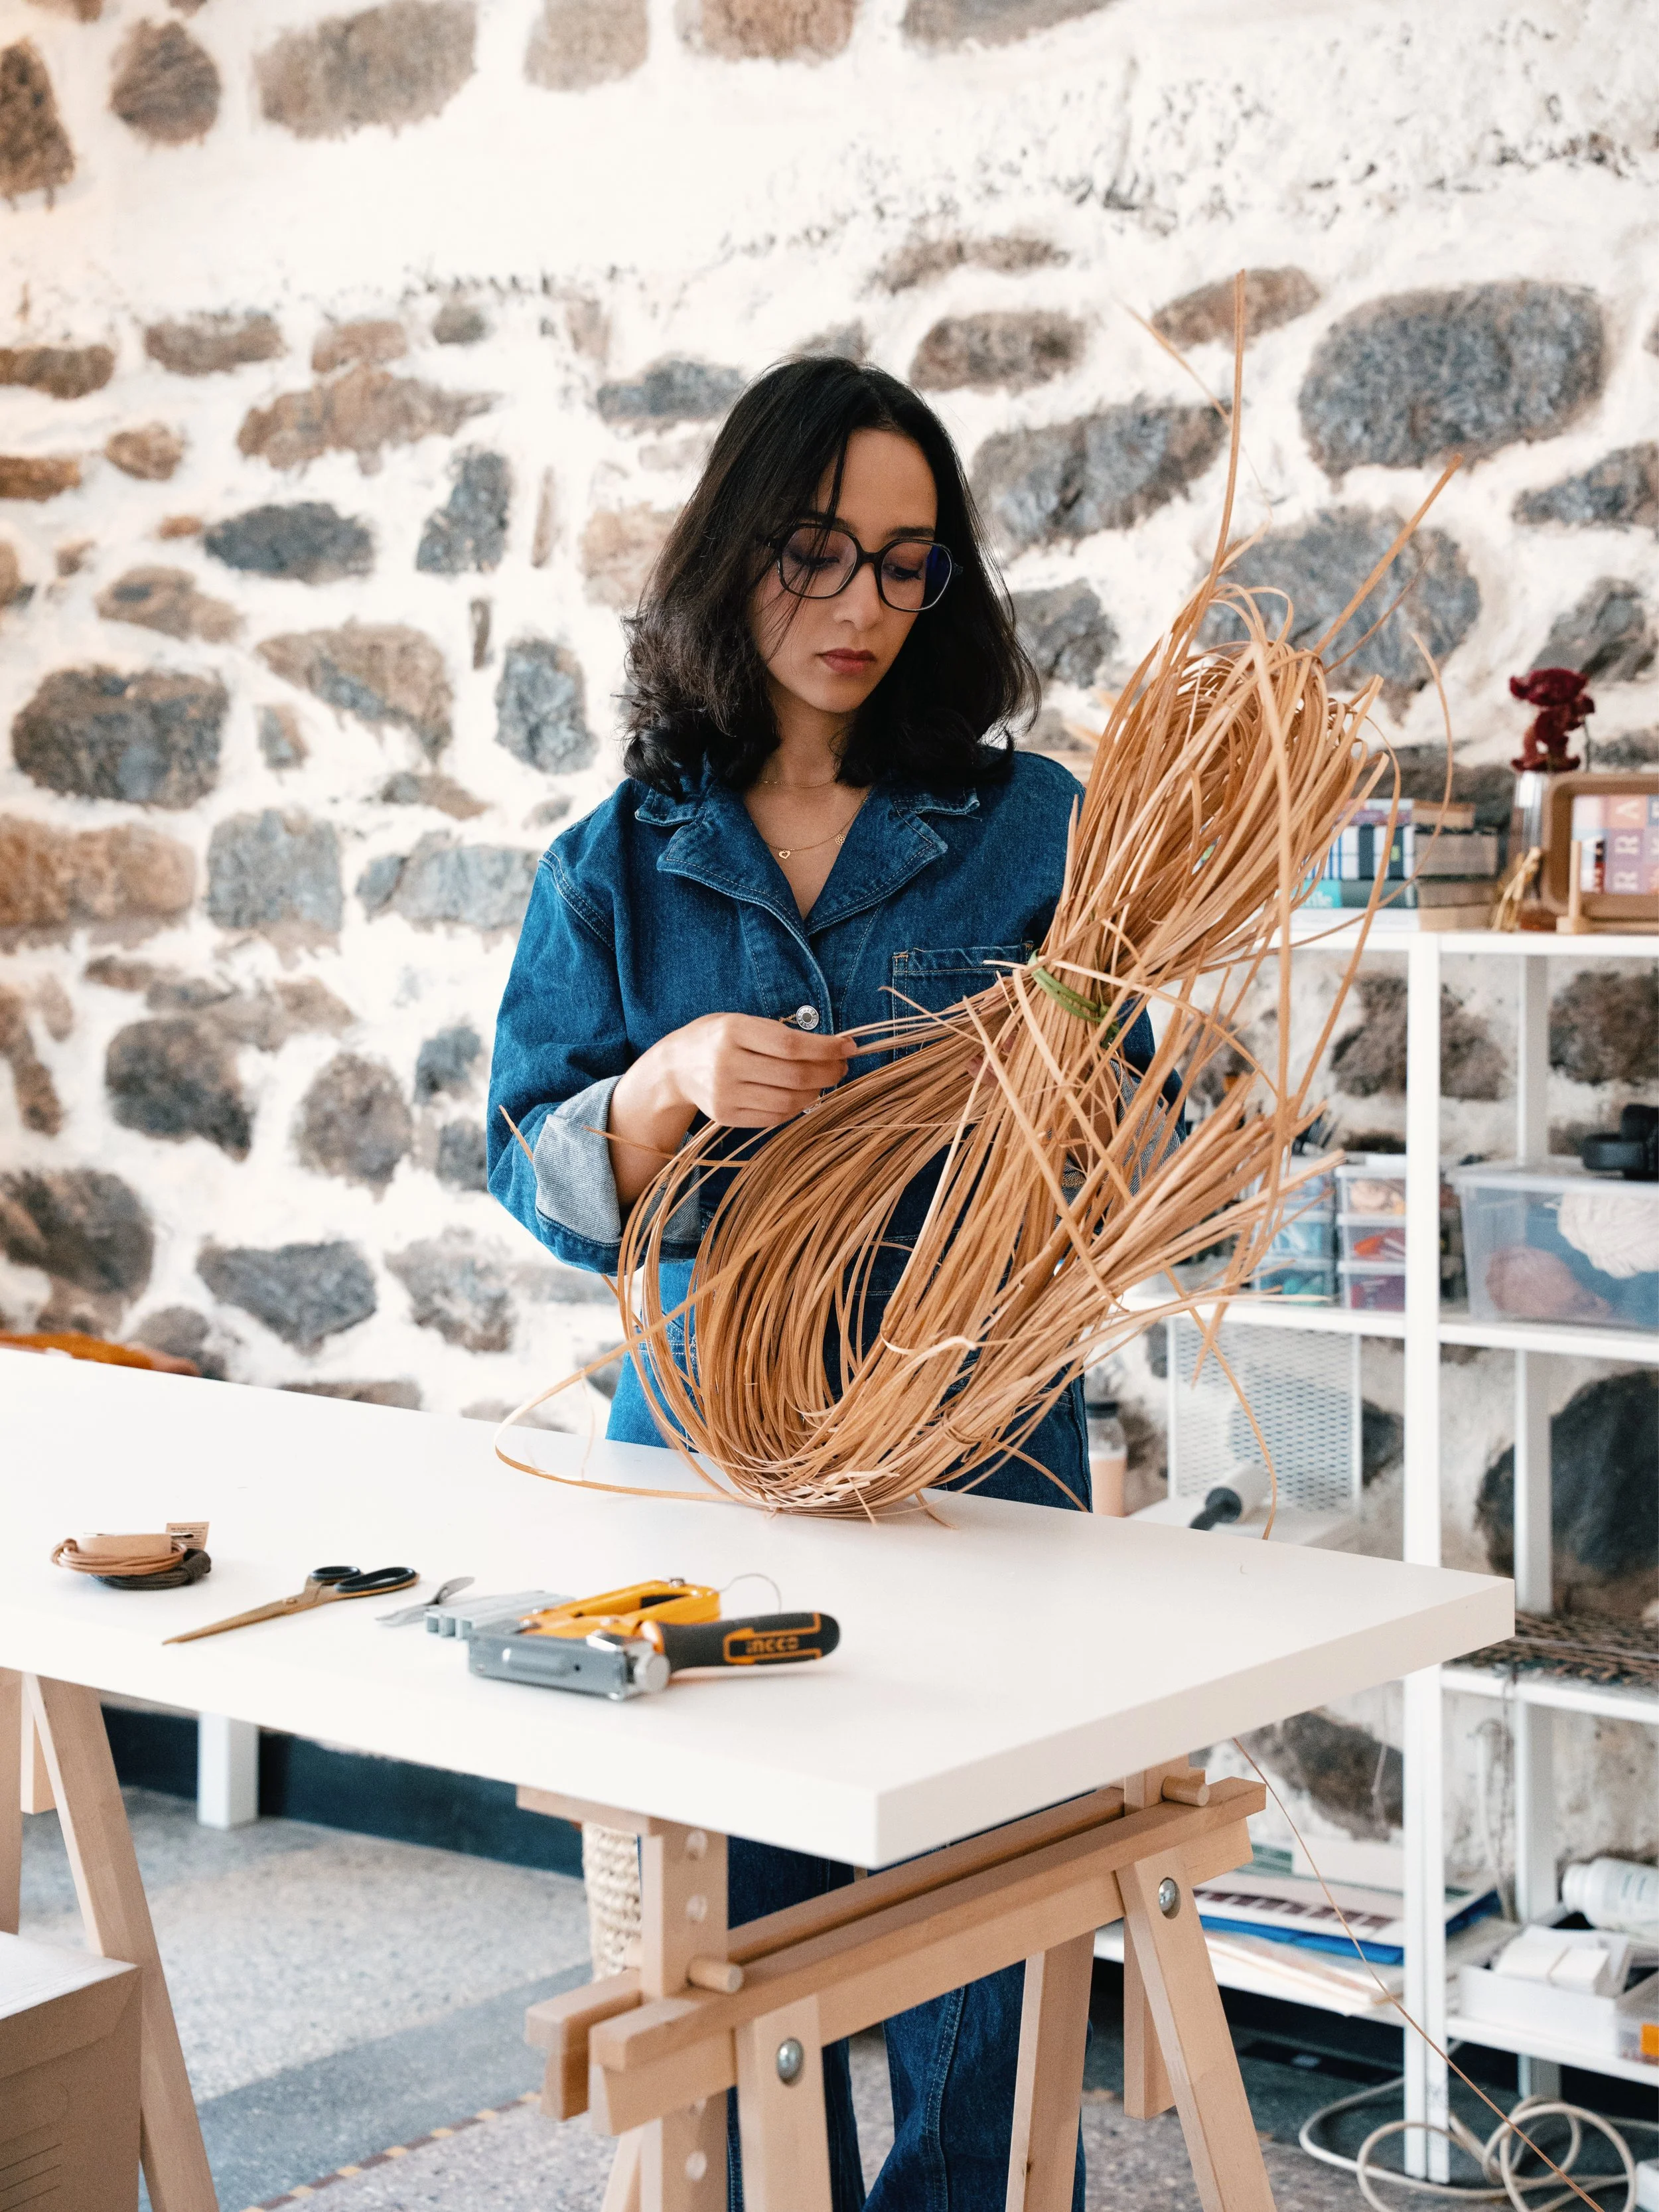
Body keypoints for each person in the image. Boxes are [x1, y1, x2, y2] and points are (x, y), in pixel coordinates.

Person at [489, 355, 1166, 2211]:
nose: (861, 604)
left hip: (976, 1461)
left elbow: (1149, 1129)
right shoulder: (619, 862)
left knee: (967, 1957)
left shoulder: (1032, 826)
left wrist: (1082, 1100)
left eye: (906, 563)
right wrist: (661, 1082)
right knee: (720, 1962)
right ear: (735, 553)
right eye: (816, 552)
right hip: (704, 1467)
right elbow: (529, 1168)